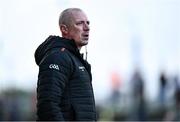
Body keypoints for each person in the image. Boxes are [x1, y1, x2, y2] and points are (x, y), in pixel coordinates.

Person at [34, 8, 96, 121]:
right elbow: (47, 105)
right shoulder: (58, 57)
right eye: (80, 23)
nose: (87, 28)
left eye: (87, 23)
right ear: (64, 29)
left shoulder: (76, 60)